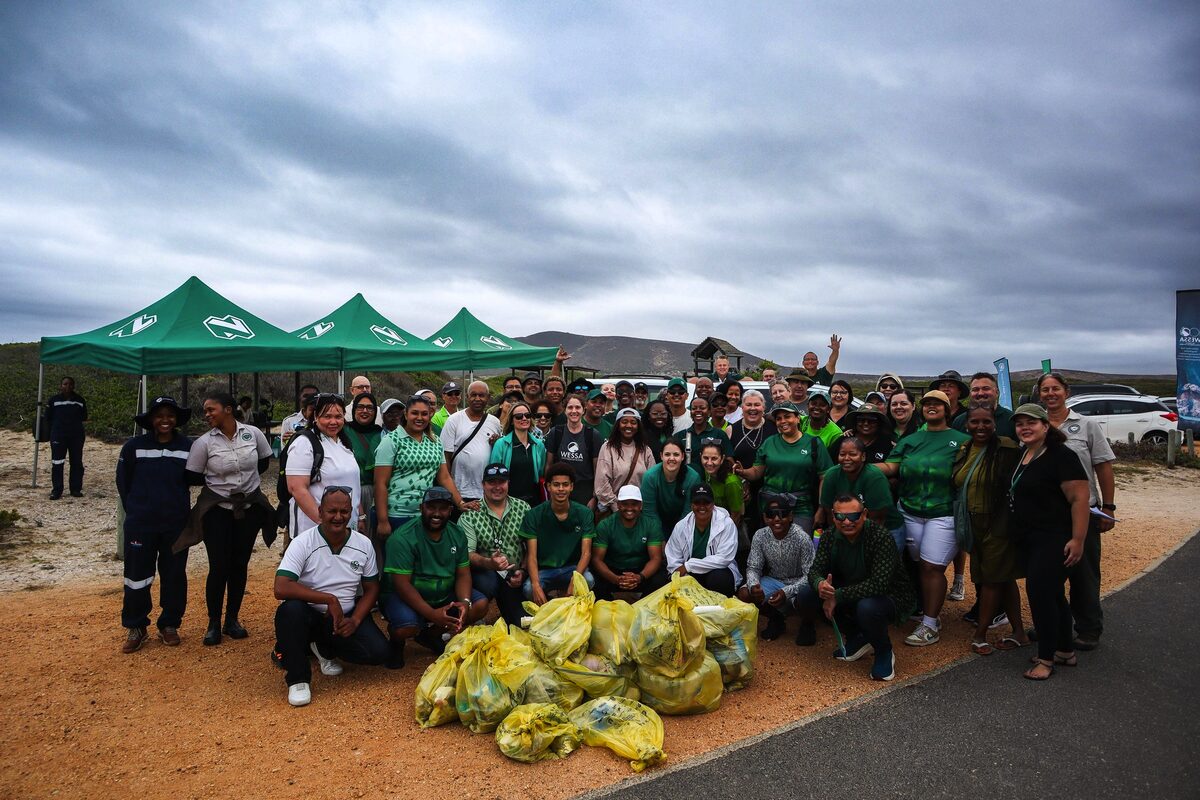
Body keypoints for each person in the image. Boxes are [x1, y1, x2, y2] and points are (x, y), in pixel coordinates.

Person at [272, 487, 388, 706]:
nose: (338, 517)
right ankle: (298, 678)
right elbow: (281, 587)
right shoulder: (303, 542)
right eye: (331, 511)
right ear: (320, 512)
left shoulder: (363, 545)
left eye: (344, 511)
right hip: (311, 614)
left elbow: (372, 588)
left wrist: (355, 620)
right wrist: (328, 599)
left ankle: (322, 647)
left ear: (351, 512)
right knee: (290, 611)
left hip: (345, 617)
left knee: (379, 652)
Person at [875, 390, 970, 647]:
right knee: (919, 564)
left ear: (947, 409)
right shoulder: (911, 440)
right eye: (927, 403)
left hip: (943, 512)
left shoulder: (962, 440)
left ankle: (929, 623)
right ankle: (930, 613)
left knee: (932, 566)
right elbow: (892, 467)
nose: (931, 407)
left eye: (937, 403)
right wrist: (858, 464)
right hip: (910, 510)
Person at [182, 392, 275, 646]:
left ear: (229, 409)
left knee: (239, 563)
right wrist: (219, 485)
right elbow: (192, 475)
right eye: (206, 411)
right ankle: (213, 622)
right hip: (218, 511)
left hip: (248, 510)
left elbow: (263, 462)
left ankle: (232, 619)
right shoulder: (204, 443)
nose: (207, 414)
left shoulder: (253, 434)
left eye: (211, 409)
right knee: (219, 566)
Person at [1034, 372, 1117, 651]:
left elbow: (1103, 466)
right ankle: (1053, 624)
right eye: (1044, 390)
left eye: (1055, 388)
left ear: (1066, 391)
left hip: (1084, 511)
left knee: (1084, 574)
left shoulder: (1086, 426)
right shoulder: (1035, 425)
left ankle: (1089, 628)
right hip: (1046, 514)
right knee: (1048, 574)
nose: (1050, 394)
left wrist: (1108, 505)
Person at [1008, 404, 1090, 680]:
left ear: (1046, 425)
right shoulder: (1026, 453)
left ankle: (1045, 659)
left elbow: (1079, 499)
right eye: (1020, 424)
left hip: (1054, 537)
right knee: (1054, 595)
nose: (1025, 428)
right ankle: (1064, 650)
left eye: (1031, 422)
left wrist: (1078, 539)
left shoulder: (1062, 456)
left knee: (1040, 595)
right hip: (1030, 536)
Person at [794, 494, 916, 682]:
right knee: (806, 596)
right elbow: (815, 570)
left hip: (889, 596)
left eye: (854, 516)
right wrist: (821, 585)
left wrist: (837, 596)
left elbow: (880, 584)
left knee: (867, 608)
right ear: (833, 516)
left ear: (864, 514)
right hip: (849, 589)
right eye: (841, 517)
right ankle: (857, 637)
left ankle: (883, 649)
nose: (847, 522)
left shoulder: (880, 537)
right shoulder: (829, 536)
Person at [115, 396, 193, 652]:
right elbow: (123, 483)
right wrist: (138, 510)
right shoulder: (133, 447)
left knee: (174, 575)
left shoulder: (187, 447)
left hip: (176, 525)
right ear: (151, 420)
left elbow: (196, 477)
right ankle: (136, 626)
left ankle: (169, 625)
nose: (165, 420)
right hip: (141, 524)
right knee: (137, 578)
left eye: (170, 415)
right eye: (159, 415)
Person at [381, 487, 489, 668]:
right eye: (431, 507)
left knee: (479, 605)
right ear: (421, 508)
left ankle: (430, 635)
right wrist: (432, 614)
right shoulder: (402, 538)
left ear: (450, 510)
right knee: (407, 626)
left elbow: (463, 574)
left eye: (443, 508)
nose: (437, 513)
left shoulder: (457, 533)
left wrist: (464, 601)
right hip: (406, 595)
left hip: (443, 591)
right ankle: (396, 642)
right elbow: (402, 586)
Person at [952, 403, 1028, 654]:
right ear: (966, 424)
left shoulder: (1007, 449)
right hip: (973, 522)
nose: (981, 427)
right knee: (1002, 578)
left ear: (995, 424)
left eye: (987, 422)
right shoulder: (965, 449)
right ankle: (1019, 632)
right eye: (975, 422)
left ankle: (980, 633)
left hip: (998, 522)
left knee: (992, 579)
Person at [374, 394, 469, 548]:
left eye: (424, 414)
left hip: (425, 515)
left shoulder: (435, 441)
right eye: (414, 413)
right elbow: (380, 483)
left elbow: (444, 477)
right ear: (406, 414)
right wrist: (383, 520)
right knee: (397, 564)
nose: (420, 418)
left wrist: (460, 502)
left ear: (430, 414)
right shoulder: (391, 441)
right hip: (396, 515)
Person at [734, 401, 832, 534]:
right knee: (770, 547)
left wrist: (821, 508)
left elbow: (825, 477)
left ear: (797, 418)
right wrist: (743, 472)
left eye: (787, 416)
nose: (782, 421)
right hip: (771, 506)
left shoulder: (814, 443)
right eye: (778, 418)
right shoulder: (770, 442)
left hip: (800, 507)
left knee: (800, 546)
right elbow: (757, 472)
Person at [737, 493, 815, 641]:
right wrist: (754, 585)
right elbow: (753, 567)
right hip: (774, 580)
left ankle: (808, 624)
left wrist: (786, 592)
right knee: (745, 594)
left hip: (798, 582)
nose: (777, 519)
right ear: (765, 518)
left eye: (783, 514)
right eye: (771, 515)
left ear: (791, 516)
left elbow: (810, 575)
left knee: (807, 594)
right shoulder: (760, 535)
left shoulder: (802, 538)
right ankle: (776, 618)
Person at [459, 464, 529, 625]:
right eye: (492, 482)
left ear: (508, 483)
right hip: (485, 573)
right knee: (489, 583)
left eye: (502, 482)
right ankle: (477, 612)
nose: (497, 487)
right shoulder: (471, 513)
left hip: (515, 573)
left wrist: (524, 571)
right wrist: (489, 563)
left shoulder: (523, 508)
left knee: (521, 623)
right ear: (483, 484)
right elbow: (466, 554)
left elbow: (531, 547)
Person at [285, 394, 362, 538]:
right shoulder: (304, 443)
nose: (333, 422)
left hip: (345, 527)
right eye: (327, 416)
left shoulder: (345, 443)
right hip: (315, 528)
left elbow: (353, 482)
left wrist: (359, 516)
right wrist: (324, 523)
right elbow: (296, 488)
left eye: (338, 417)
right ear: (315, 416)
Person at [520, 463, 595, 603]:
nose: (561, 489)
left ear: (571, 486)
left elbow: (586, 553)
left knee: (588, 581)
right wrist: (536, 585)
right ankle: (550, 607)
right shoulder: (534, 515)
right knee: (529, 589)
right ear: (548, 486)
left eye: (565, 484)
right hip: (545, 569)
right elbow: (531, 555)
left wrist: (574, 581)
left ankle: (570, 609)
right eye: (556, 484)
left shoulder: (584, 514)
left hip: (572, 568)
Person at [817, 437, 904, 548]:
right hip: (847, 528)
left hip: (886, 528)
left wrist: (860, 546)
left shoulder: (874, 476)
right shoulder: (831, 475)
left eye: (853, 454)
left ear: (863, 457)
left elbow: (878, 519)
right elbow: (830, 514)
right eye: (842, 454)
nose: (846, 458)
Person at [590, 485, 668, 600]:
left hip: (641, 570)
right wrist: (616, 579)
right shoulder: (605, 525)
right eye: (625, 504)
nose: (629, 508)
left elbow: (655, 558)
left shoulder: (651, 524)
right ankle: (608, 606)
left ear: (641, 505)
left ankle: (643, 606)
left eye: (634, 504)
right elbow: (597, 559)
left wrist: (639, 577)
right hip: (613, 570)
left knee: (662, 577)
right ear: (618, 505)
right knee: (592, 577)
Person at [663, 485, 741, 596]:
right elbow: (673, 558)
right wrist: (682, 575)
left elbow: (724, 558)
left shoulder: (726, 524)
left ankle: (720, 610)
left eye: (706, 502)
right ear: (691, 505)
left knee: (718, 578)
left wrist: (688, 566)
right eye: (697, 503)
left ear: (713, 504)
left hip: (717, 572)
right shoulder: (681, 526)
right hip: (691, 574)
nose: (702, 507)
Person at [441, 381, 502, 508]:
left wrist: (496, 442)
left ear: (488, 398)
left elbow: (499, 452)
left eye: (481, 395)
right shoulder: (453, 420)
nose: (477, 399)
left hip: (487, 491)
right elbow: (445, 457)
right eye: (473, 395)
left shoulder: (495, 422)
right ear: (467, 397)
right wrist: (451, 491)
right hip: (459, 491)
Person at [729, 390, 777, 533]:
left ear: (764, 407)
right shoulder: (731, 429)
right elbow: (728, 461)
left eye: (757, 404)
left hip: (769, 488)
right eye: (748, 404)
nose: (753, 408)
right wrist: (741, 484)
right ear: (742, 407)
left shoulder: (774, 428)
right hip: (741, 490)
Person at [594, 408, 656, 516]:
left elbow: (652, 481)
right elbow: (601, 483)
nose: (628, 426)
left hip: (639, 510)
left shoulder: (645, 450)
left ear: (638, 426)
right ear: (618, 425)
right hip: (614, 508)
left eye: (633, 422)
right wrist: (616, 507)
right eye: (624, 422)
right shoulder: (608, 448)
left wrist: (639, 507)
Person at [544, 396, 603, 507]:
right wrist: (550, 491)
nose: (574, 411)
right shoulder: (556, 432)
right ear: (565, 410)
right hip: (560, 490)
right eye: (570, 407)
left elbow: (597, 469)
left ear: (583, 410)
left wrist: (595, 497)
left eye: (577, 407)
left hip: (584, 492)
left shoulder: (592, 435)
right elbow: (549, 465)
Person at [489, 402, 547, 507]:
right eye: (519, 416)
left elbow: (541, 472)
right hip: (508, 500)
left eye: (527, 415)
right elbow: (493, 474)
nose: (524, 418)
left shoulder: (538, 445)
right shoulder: (501, 444)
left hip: (533, 501)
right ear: (511, 420)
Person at [640, 439, 702, 536]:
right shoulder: (650, 477)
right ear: (661, 456)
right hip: (656, 522)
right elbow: (650, 512)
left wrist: (676, 537)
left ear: (682, 456)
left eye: (676, 455)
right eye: (667, 454)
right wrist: (660, 537)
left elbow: (688, 512)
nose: (671, 458)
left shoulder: (693, 478)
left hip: (684, 524)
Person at [46, 376, 88, 499]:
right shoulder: (53, 400)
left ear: (73, 386)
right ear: (60, 386)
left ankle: (75, 489)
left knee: (76, 462)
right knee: (57, 462)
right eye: (65, 384)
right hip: (58, 435)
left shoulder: (79, 400)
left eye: (70, 384)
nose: (67, 386)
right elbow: (48, 417)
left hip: (76, 436)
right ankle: (57, 490)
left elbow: (84, 416)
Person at [344, 393, 382, 519]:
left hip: (375, 493)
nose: (365, 411)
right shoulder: (343, 431)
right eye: (360, 407)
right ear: (354, 409)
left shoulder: (381, 434)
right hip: (348, 491)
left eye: (369, 407)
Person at [673, 396, 733, 468]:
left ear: (709, 412)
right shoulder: (680, 436)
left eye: (702, 408)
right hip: (689, 477)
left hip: (712, 478)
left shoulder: (719, 434)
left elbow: (729, 460)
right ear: (690, 412)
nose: (698, 410)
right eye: (694, 408)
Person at [952, 372, 1015, 438]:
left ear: (997, 392)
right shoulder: (960, 421)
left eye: (986, 388)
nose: (980, 393)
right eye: (975, 389)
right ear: (970, 394)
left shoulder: (1011, 420)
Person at [699, 441, 743, 527]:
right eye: (705, 458)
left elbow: (736, 515)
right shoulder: (708, 471)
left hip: (729, 526)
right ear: (700, 456)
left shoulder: (731, 482)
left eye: (714, 458)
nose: (709, 463)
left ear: (722, 459)